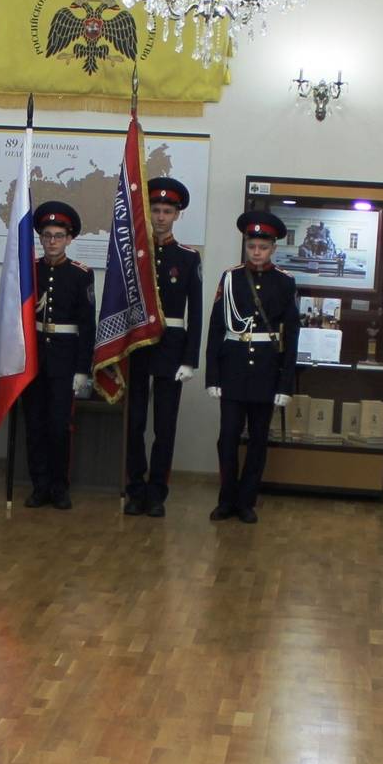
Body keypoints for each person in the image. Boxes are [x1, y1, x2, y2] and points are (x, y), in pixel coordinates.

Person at [206, 210, 299, 524]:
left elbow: (291, 336)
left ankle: (247, 501)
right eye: (251, 246)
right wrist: (212, 375)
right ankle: (226, 499)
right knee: (227, 438)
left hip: (265, 371)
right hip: (233, 369)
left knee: (258, 440)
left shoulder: (285, 282)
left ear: (274, 248)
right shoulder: (230, 278)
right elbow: (216, 327)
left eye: (263, 247)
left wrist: (286, 384)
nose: (256, 252)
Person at [123, 176, 203, 516]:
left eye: (167, 211)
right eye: (155, 210)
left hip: (171, 347)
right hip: (138, 346)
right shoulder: (133, 256)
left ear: (177, 215)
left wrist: (190, 359)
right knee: (134, 423)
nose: (160, 217)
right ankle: (135, 489)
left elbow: (195, 312)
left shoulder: (187, 258)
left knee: (164, 426)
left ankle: (157, 493)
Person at [23, 201, 95, 509]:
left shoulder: (81, 274)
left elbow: (87, 325)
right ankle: (39, 486)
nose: (52, 241)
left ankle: (59, 486)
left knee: (58, 426)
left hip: (64, 362)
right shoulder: (30, 271)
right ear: (40, 238)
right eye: (47, 235)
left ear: (69, 239)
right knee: (34, 425)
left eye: (58, 236)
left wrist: (82, 369)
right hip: (34, 360)